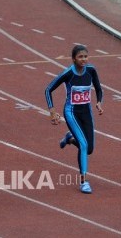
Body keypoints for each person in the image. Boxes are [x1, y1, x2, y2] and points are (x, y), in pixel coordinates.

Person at [45, 45, 103, 194]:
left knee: (89, 149)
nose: (83, 59)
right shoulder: (68, 74)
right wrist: (52, 111)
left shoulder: (91, 70)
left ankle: (70, 139)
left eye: (85, 56)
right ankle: (84, 182)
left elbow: (98, 87)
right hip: (71, 113)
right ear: (73, 59)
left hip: (86, 112)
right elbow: (48, 89)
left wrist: (99, 102)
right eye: (80, 57)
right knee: (83, 145)